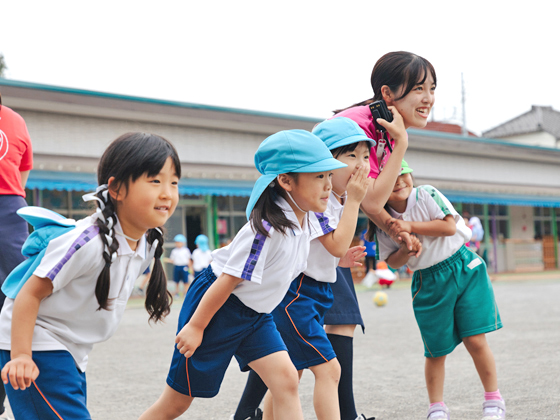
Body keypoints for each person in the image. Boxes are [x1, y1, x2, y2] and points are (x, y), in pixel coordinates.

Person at [139, 129, 347, 420]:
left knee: (287, 380)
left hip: (256, 317)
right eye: (318, 176)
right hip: (217, 310)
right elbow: (227, 280)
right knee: (176, 403)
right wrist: (197, 327)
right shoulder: (267, 229)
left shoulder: (307, 220)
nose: (328, 185)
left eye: (328, 176)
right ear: (285, 181)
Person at [0, 132, 180, 420]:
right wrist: (21, 355)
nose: (167, 193)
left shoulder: (146, 242)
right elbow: (28, 293)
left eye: (173, 182)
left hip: (72, 351)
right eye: (155, 180)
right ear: (117, 189)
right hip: (39, 344)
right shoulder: (86, 242)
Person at [377, 160, 505, 420]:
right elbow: (391, 262)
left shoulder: (426, 194)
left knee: (475, 339)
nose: (399, 181)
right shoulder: (383, 220)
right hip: (428, 281)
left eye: (403, 173)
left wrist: (410, 227)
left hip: (464, 267)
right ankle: (436, 407)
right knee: (435, 350)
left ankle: (493, 399)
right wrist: (405, 249)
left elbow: (448, 227)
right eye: (390, 180)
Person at [0, 91, 33, 419]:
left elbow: (22, 174)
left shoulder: (14, 119)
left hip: (9, 205)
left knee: (16, 295)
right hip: (10, 207)